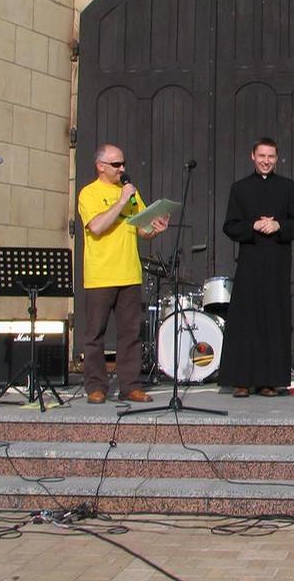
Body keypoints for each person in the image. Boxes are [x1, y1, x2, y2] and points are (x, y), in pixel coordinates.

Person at [78, 143, 170, 404]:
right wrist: (120, 201)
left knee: (130, 334)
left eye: (123, 163)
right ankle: (96, 386)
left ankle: (130, 385)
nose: (122, 169)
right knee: (95, 333)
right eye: (116, 164)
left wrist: (155, 228)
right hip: (101, 273)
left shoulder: (131, 192)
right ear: (101, 166)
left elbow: (141, 229)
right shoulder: (89, 193)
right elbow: (96, 227)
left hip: (129, 272)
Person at [217, 137, 294, 397]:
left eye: (270, 157)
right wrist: (252, 226)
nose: (266, 161)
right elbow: (230, 226)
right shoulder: (240, 188)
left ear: (277, 159)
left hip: (278, 264)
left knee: (273, 321)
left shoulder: (288, 187)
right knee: (245, 321)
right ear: (253, 157)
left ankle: (269, 381)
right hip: (250, 263)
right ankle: (241, 381)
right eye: (262, 156)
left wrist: (279, 225)